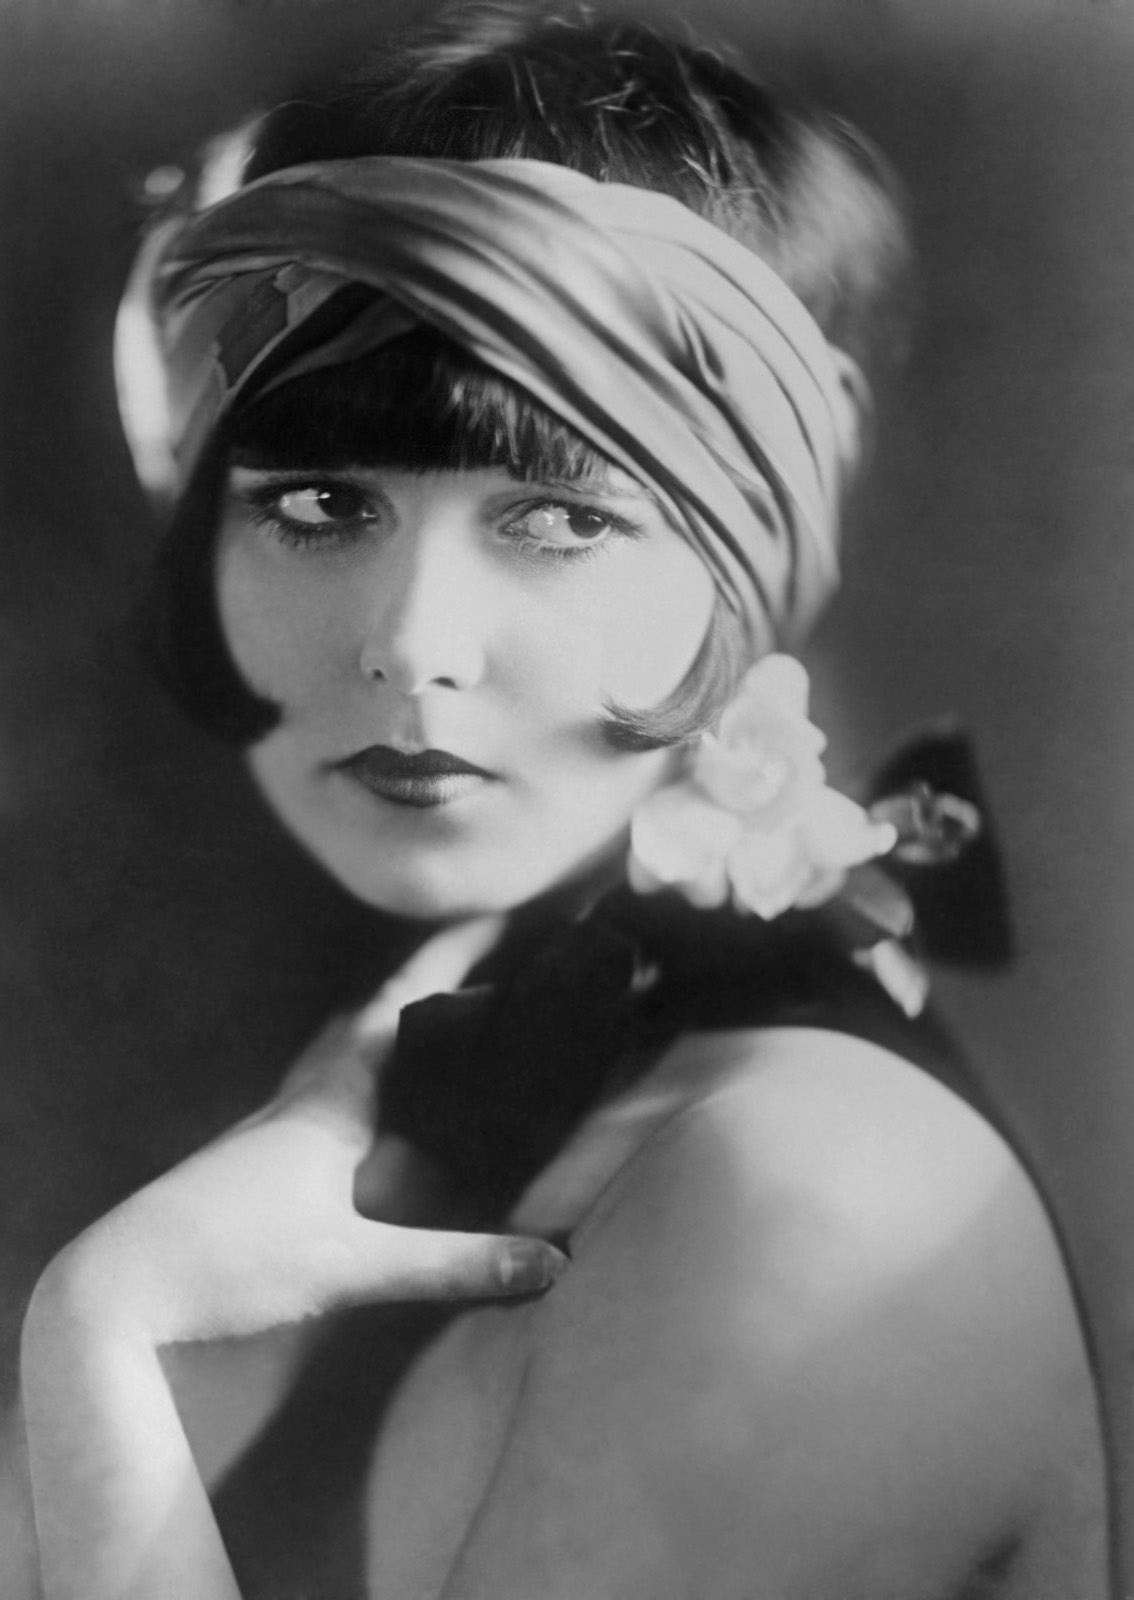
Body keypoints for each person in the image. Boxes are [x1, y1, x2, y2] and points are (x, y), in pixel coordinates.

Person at [19, 5, 1108, 1597]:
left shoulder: (815, 1193)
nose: (409, 646)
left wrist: (98, 1343)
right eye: (318, 502)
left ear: (758, 544)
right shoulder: (422, 1095)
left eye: (556, 516)